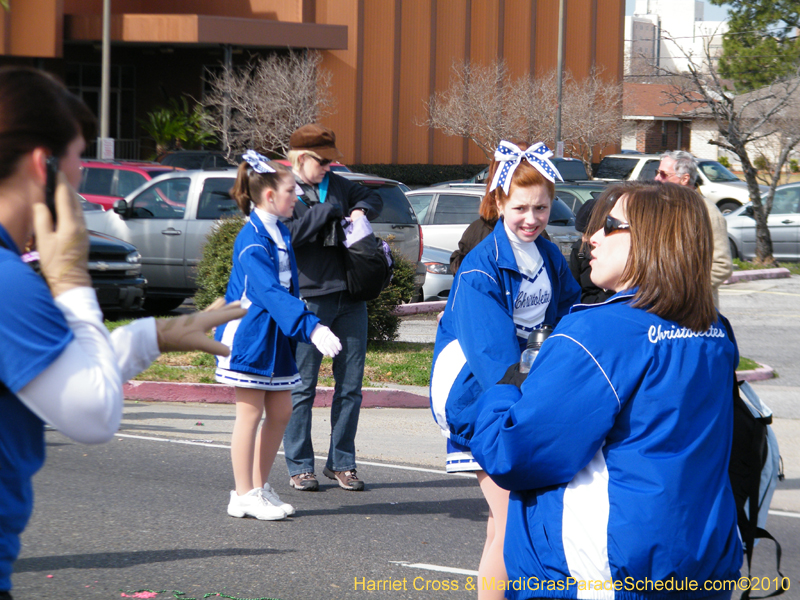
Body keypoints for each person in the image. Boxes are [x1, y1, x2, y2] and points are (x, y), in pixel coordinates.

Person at [0, 67, 246, 599]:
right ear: (44, 168)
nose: (79, 181)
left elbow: (60, 379)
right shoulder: (8, 281)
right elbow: (91, 413)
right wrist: (69, 279)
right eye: (76, 163)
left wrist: (149, 336)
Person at [470, 181, 743, 600]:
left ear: (653, 239)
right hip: (702, 566)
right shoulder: (713, 330)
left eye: (611, 225)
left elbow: (517, 454)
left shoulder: (598, 332)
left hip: (602, 575)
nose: (592, 236)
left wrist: (504, 391)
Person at [430, 141, 581, 599]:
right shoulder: (480, 269)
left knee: (505, 523)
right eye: (520, 208)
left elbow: (571, 313)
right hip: (479, 392)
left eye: (542, 207)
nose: (532, 218)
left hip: (522, 387)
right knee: (510, 523)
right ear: (498, 202)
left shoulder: (548, 254)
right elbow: (494, 359)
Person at [214, 151, 342, 520]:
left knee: (282, 410)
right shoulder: (252, 238)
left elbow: (286, 288)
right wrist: (312, 326)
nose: (297, 197)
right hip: (252, 335)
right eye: (291, 190)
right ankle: (243, 494)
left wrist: (302, 324)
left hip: (276, 335)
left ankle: (257, 485)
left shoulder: (278, 229)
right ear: (270, 196)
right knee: (250, 414)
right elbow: (268, 292)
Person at [281, 124, 383, 492]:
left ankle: (342, 463)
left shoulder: (337, 183)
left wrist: (357, 210)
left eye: (331, 160)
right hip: (309, 298)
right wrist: (326, 213)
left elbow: (374, 199)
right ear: (302, 158)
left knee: (351, 387)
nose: (328, 167)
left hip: (351, 297)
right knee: (303, 387)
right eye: (323, 161)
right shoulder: (283, 187)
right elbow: (289, 235)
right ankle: (299, 466)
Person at [654, 150, 732, 306]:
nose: (656, 178)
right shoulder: (660, 207)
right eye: (657, 173)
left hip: (693, 312)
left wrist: (685, 293)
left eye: (663, 174)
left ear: (684, 179)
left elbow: (721, 265)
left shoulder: (708, 213)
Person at [568, 197, 614, 304]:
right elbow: (572, 290)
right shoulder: (579, 251)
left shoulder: (619, 252)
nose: (584, 239)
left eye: (588, 233)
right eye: (582, 233)